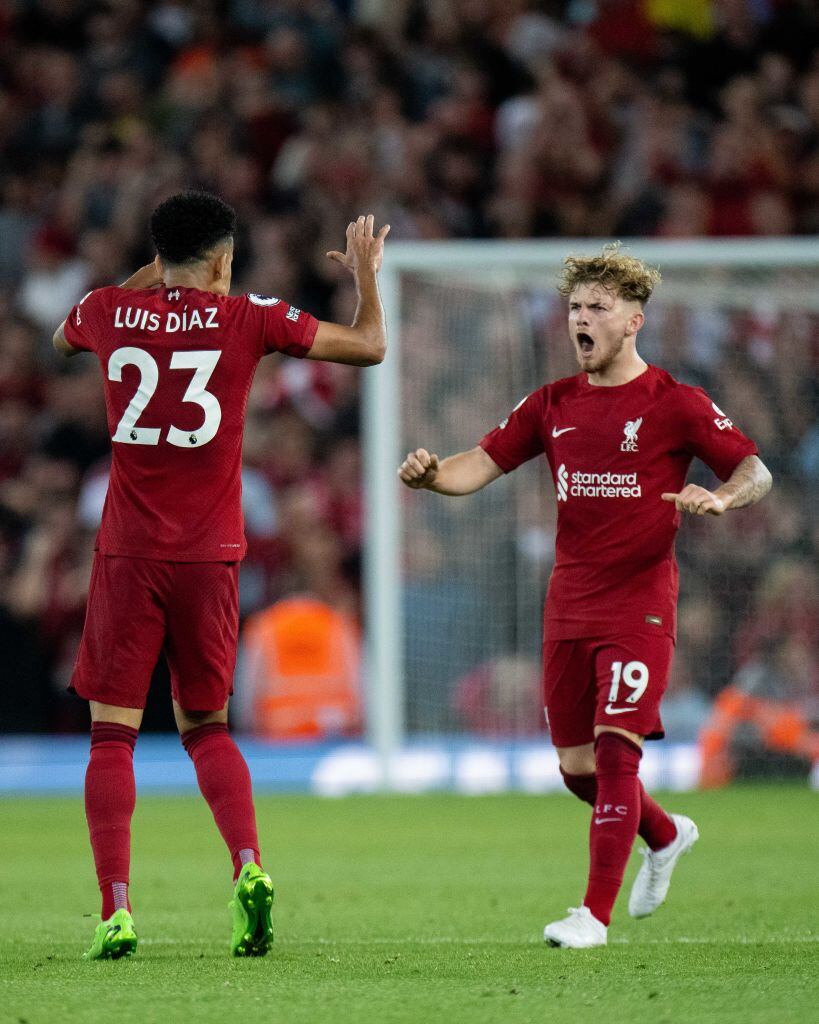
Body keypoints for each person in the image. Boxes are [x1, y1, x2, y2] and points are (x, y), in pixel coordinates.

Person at [398, 244, 771, 948]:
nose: (581, 318)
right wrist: (431, 475)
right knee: (576, 769)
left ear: (633, 321)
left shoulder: (675, 402)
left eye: (598, 307)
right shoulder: (551, 404)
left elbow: (755, 469)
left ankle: (591, 916)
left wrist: (722, 497)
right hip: (568, 602)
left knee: (615, 753)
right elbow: (478, 463)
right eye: (574, 307)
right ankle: (665, 834)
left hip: (639, 601)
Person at [52, 191, 389, 960]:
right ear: (224, 262)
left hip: (128, 554)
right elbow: (369, 346)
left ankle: (115, 910)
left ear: (160, 256)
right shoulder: (249, 318)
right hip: (210, 558)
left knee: (111, 736)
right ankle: (248, 866)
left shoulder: (106, 310)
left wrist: (154, 280)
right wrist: (367, 276)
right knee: (206, 728)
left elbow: (60, 338)